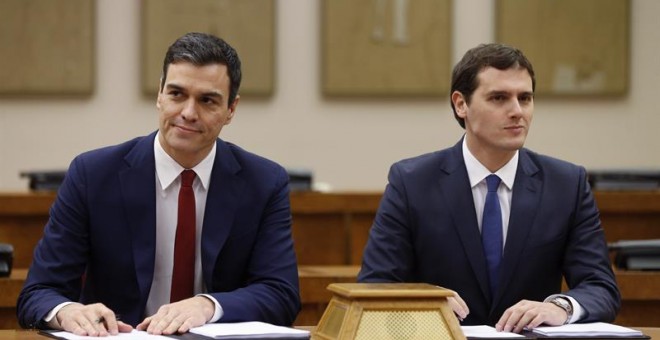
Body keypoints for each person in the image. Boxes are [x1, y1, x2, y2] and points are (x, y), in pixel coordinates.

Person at [17, 32, 300, 336]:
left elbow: (281, 294)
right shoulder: (93, 175)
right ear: (159, 95)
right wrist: (68, 311)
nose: (188, 113)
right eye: (177, 94)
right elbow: (38, 292)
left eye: (207, 100)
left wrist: (207, 306)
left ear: (231, 109)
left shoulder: (263, 182)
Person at [357, 43, 620, 332]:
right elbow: (375, 285)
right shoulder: (412, 181)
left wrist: (559, 307)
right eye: (499, 98)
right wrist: (423, 302)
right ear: (461, 104)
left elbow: (601, 287)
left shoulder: (566, 184)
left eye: (525, 98)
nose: (517, 111)